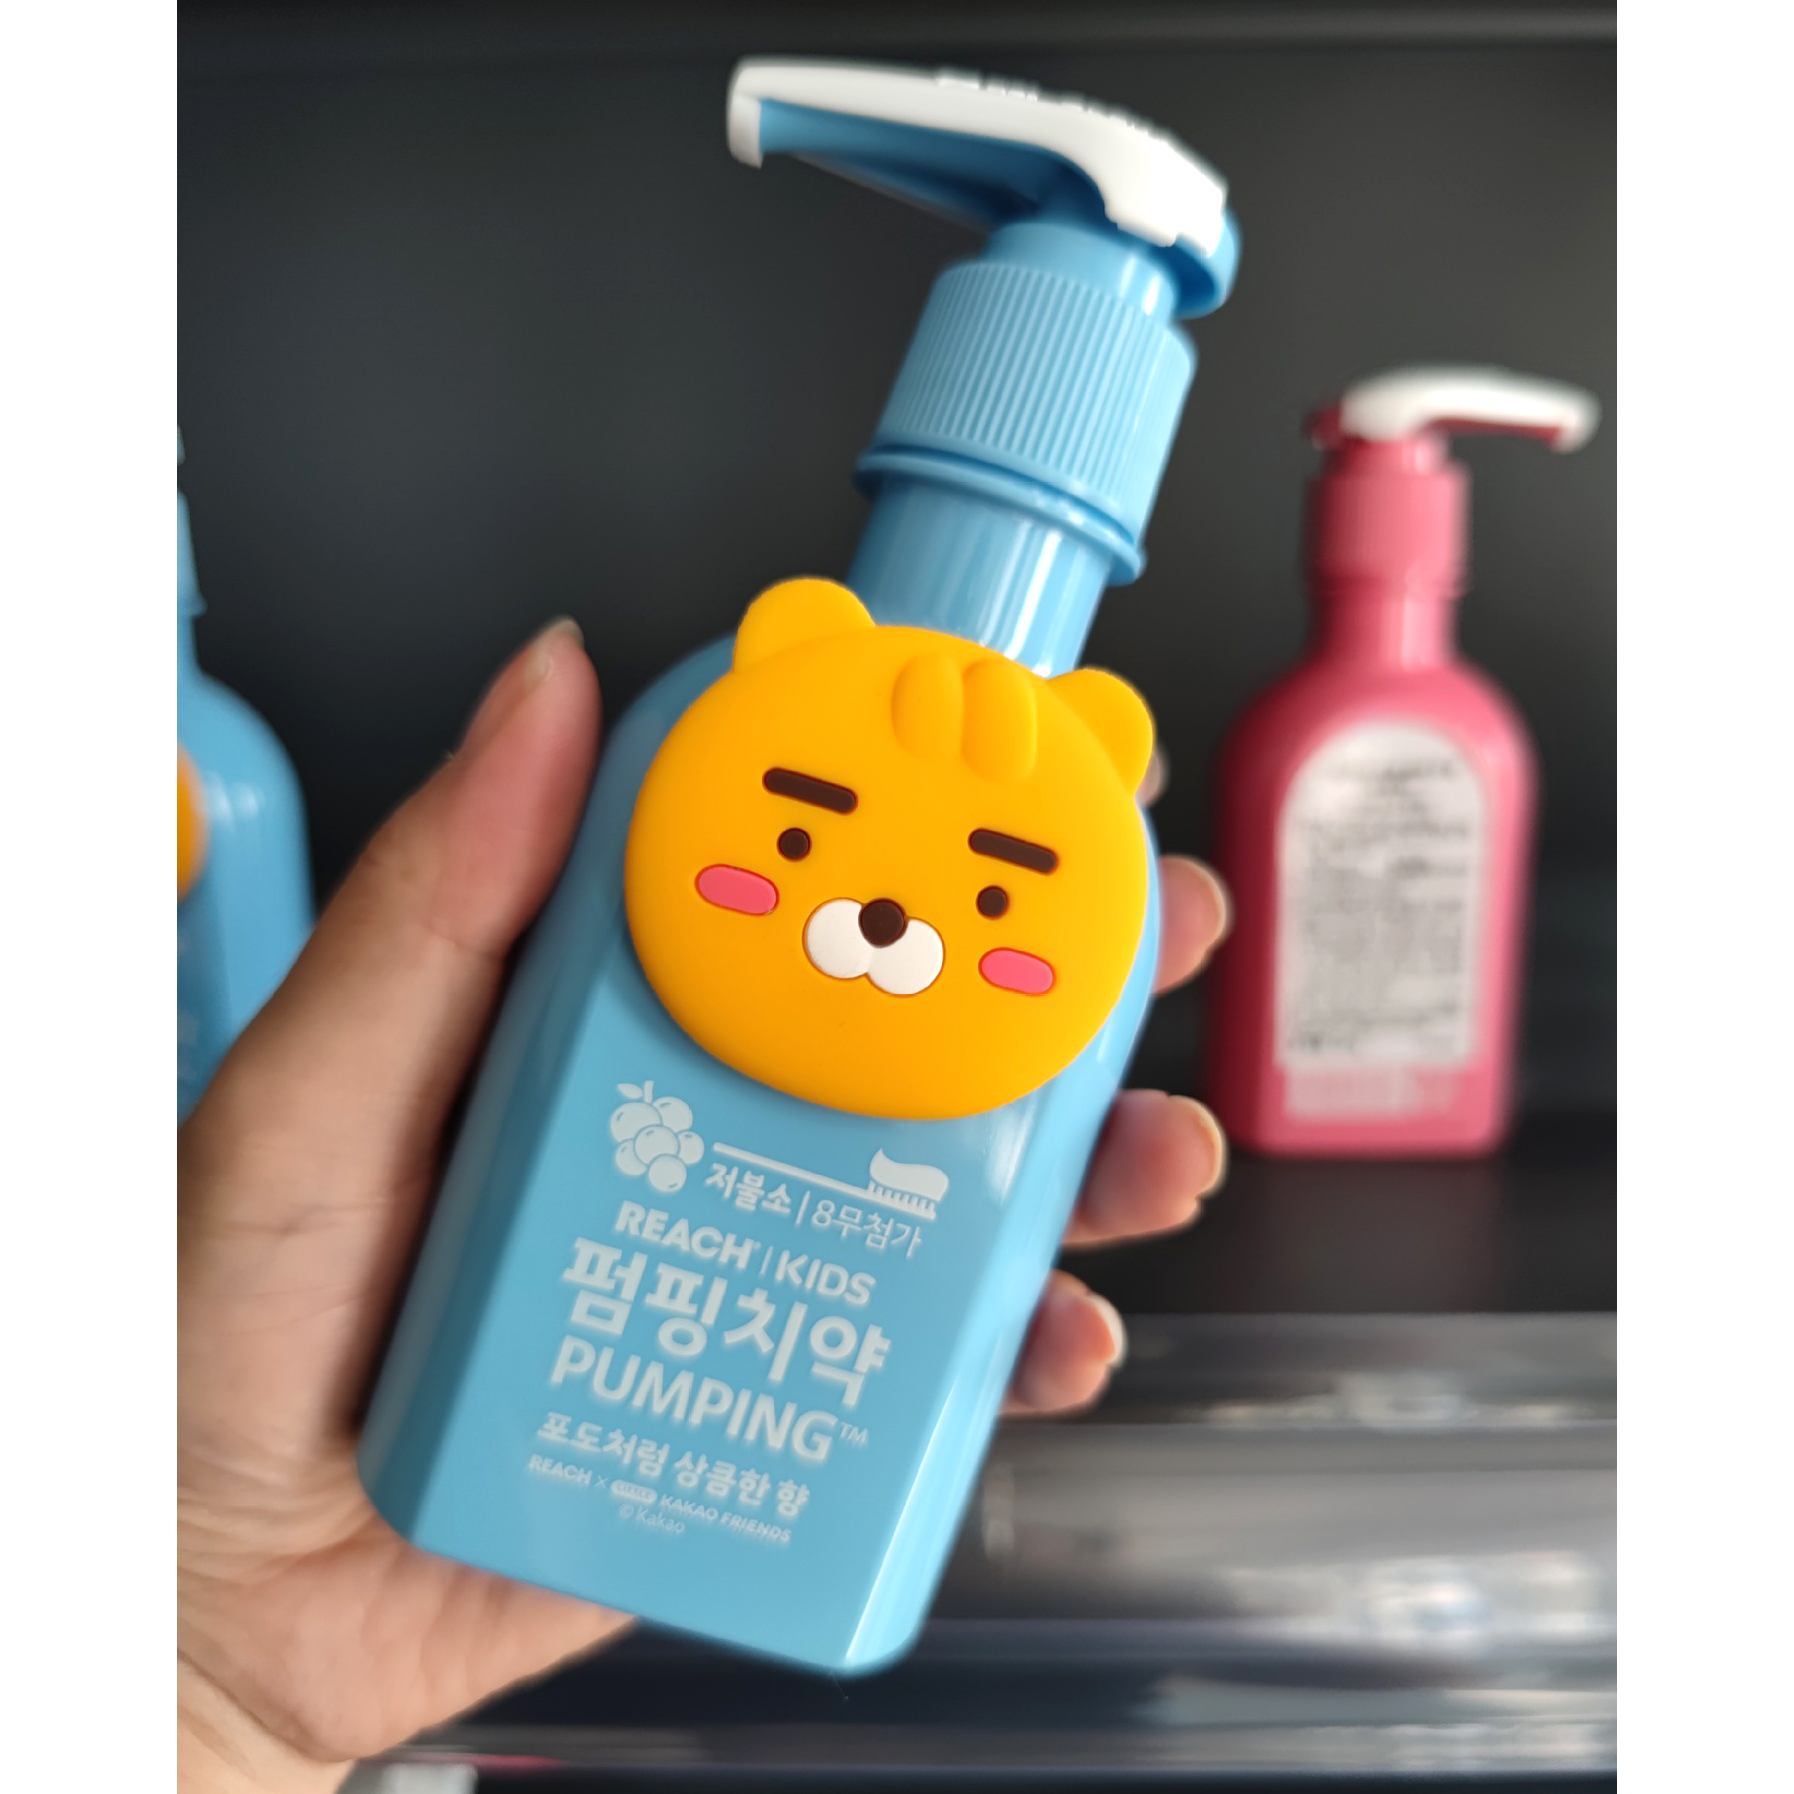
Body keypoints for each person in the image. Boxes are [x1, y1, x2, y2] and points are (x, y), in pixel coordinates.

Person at [177, 619, 1231, 1792]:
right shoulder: (717, 707)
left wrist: (206, 1691)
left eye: (988, 895)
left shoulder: (712, 708)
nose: (887, 923)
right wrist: (198, 1658)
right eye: (799, 835)